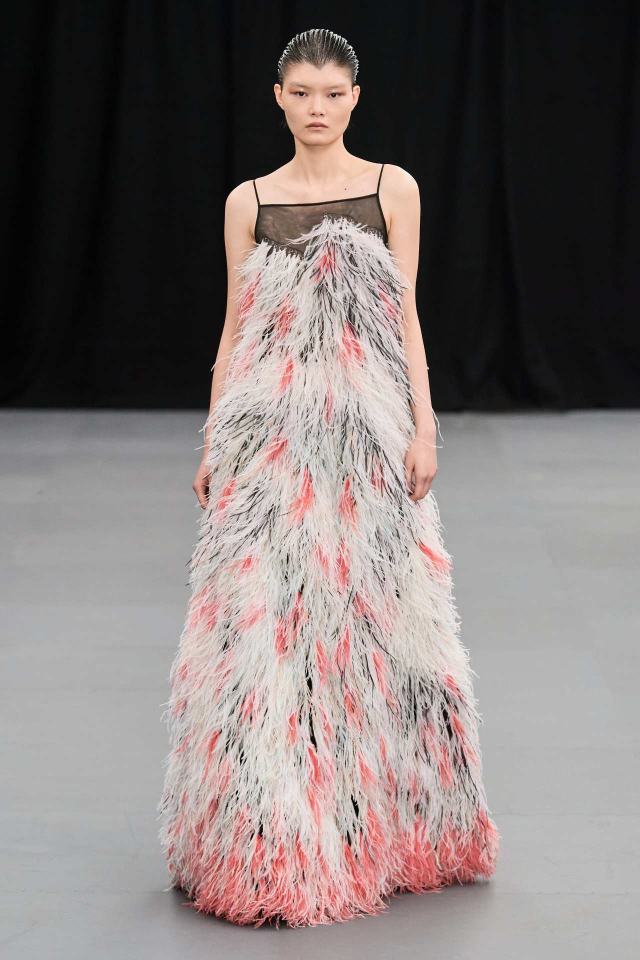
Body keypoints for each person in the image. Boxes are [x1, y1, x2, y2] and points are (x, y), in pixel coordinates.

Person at [157, 27, 500, 928]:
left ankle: (375, 828)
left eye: (333, 93)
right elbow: (235, 326)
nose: (317, 108)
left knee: (367, 627)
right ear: (279, 97)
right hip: (268, 437)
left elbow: (405, 313)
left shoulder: (392, 188)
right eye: (302, 92)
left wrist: (422, 427)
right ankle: (271, 838)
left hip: (363, 436)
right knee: (265, 631)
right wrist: (212, 440)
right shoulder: (250, 200)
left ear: (355, 97)